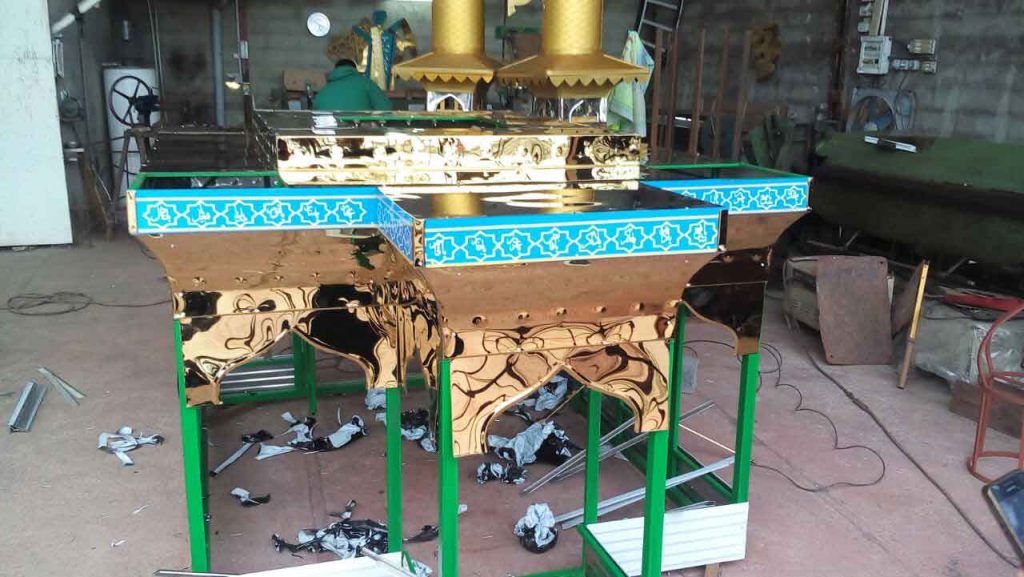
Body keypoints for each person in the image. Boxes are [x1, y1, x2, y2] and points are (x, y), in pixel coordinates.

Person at [313, 58, 392, 111]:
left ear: (335, 70)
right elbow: (386, 108)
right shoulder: (366, 83)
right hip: (359, 129)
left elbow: (315, 113)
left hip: (329, 131)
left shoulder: (323, 90)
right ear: (354, 70)